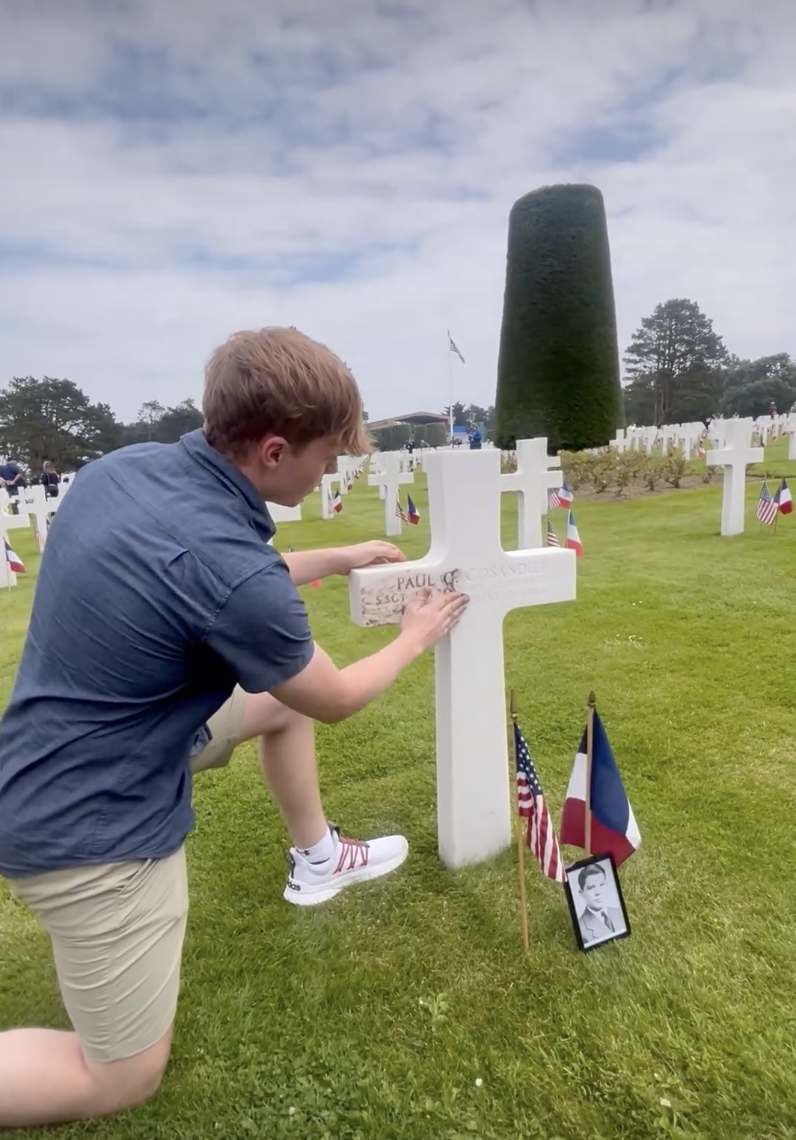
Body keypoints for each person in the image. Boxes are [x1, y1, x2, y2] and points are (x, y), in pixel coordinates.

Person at [0, 326, 470, 1128]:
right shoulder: (229, 571)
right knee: (117, 1075)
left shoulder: (125, 472)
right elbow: (333, 694)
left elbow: (201, 571)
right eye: (328, 455)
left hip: (57, 754)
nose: (334, 469)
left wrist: (341, 553)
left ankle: (318, 860)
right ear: (276, 449)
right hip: (93, 824)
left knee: (274, 705)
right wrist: (412, 638)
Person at [576, 863, 624, 945]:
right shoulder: (581, 928)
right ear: (581, 893)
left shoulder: (618, 912)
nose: (597, 892)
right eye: (591, 888)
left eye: (601, 885)